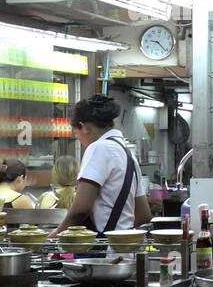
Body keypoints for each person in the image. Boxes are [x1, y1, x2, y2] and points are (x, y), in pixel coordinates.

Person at [49, 95, 151, 236]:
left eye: (76, 132)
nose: (78, 138)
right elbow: (143, 215)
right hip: (126, 248)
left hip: (103, 252)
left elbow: (81, 210)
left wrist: (54, 237)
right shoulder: (128, 155)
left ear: (84, 127)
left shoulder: (98, 148)